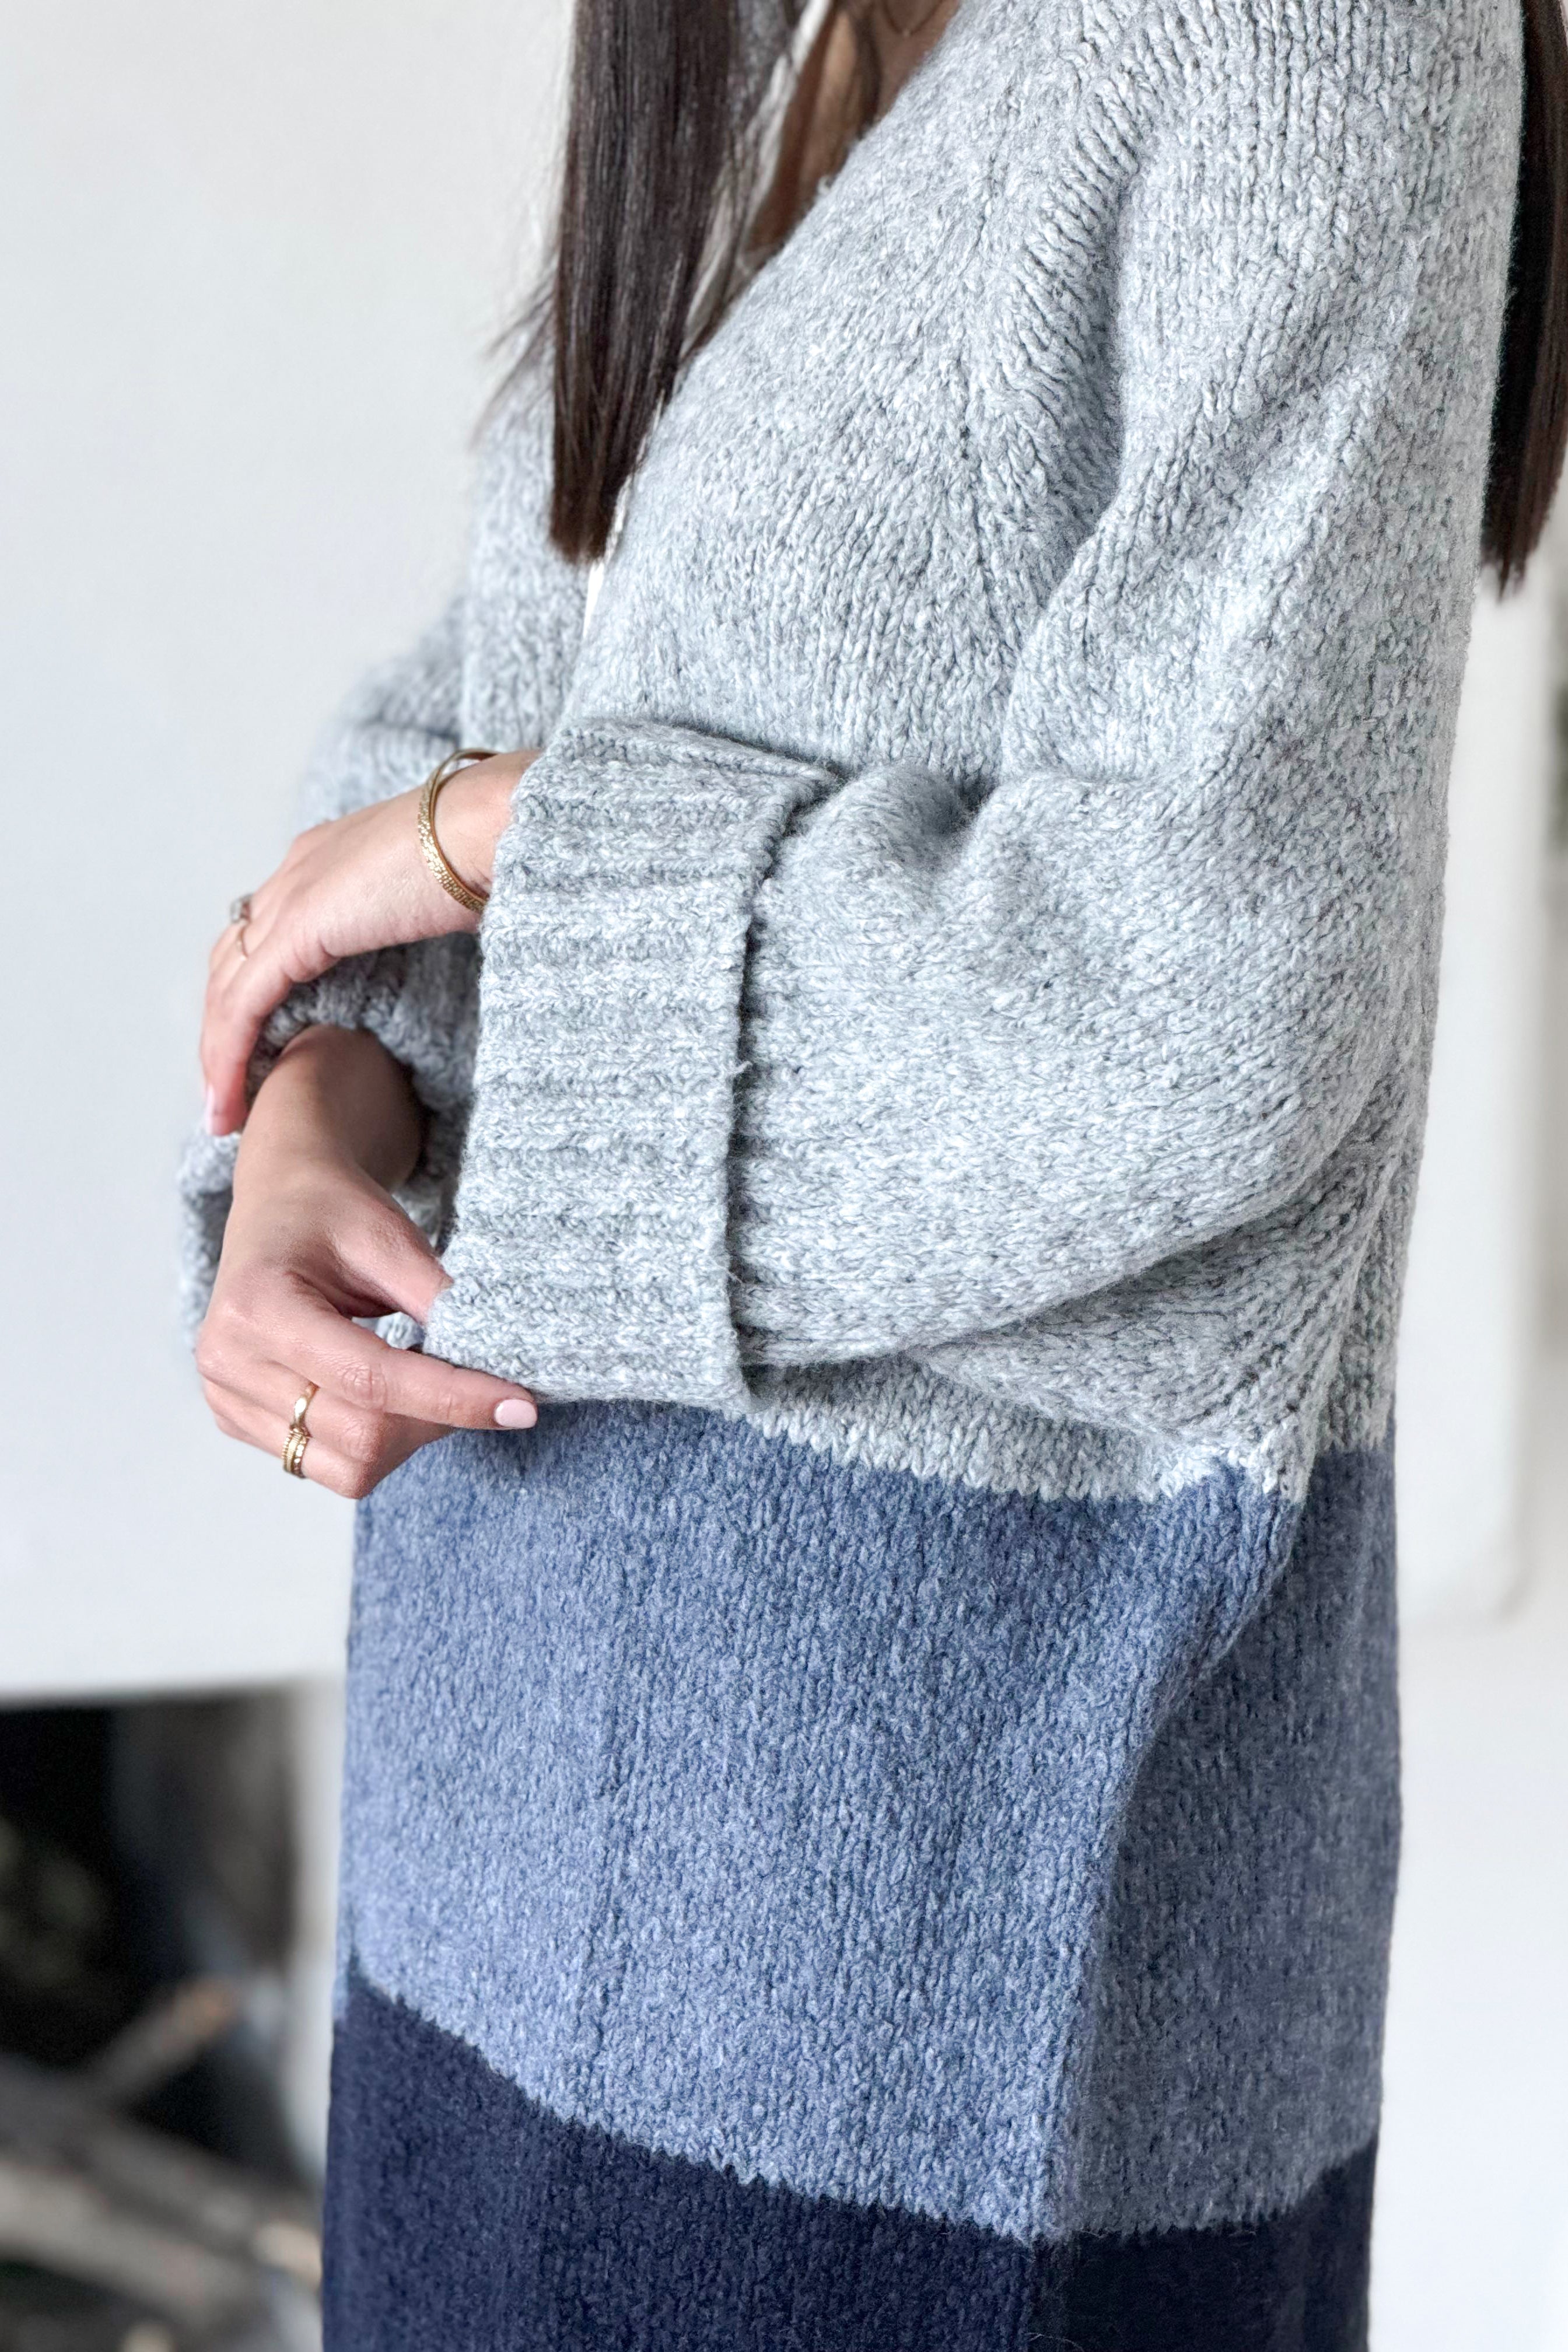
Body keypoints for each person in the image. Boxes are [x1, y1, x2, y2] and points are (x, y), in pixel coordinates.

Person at [178, 0, 1566, 2343]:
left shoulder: (1322, 35)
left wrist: (503, 849)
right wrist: (327, 1094)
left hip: (930, 1970)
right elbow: (531, 646)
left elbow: (1185, 1012)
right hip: (486, 1852)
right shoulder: (764, 32)